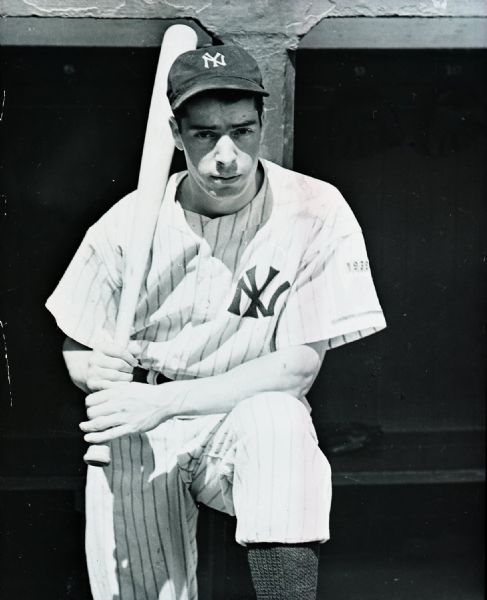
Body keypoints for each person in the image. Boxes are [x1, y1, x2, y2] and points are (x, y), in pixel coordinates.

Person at [46, 44, 386, 600]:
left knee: (279, 422)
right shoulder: (129, 221)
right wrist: (91, 367)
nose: (226, 154)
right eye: (205, 134)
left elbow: (298, 368)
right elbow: (76, 343)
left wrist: (169, 401)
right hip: (142, 424)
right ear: (176, 135)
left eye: (241, 130)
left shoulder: (315, 209)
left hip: (241, 409)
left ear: (261, 123)